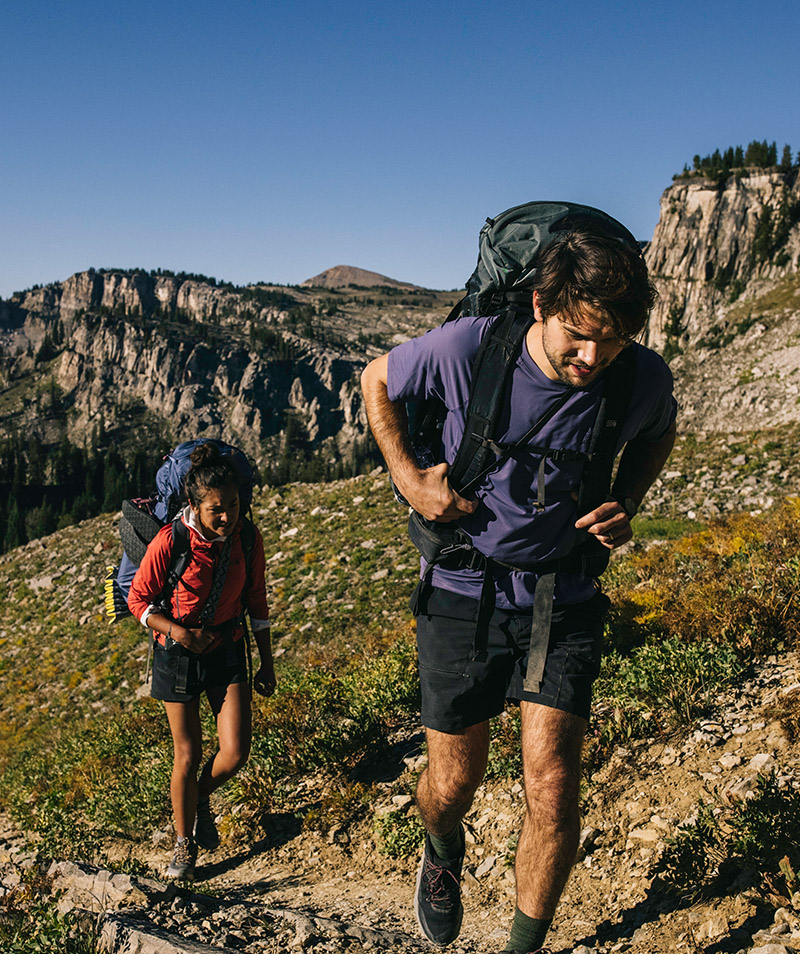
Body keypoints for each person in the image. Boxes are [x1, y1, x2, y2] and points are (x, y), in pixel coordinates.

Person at [360, 225, 677, 953]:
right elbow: (377, 378)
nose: (593, 357)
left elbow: (659, 431)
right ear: (540, 304)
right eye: (578, 335)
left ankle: (523, 946)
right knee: (452, 785)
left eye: (614, 338)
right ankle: (441, 851)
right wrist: (410, 479)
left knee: (553, 784)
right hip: (463, 587)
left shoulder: (639, 377)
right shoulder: (471, 348)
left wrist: (628, 496)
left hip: (564, 596)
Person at [128, 443, 277, 880]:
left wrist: (266, 663)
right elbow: (137, 599)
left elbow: (257, 600)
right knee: (187, 755)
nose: (227, 517)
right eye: (216, 510)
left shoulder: (247, 538)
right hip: (177, 653)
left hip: (228, 646)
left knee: (234, 752)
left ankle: (199, 798)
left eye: (232, 505)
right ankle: (183, 845)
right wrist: (178, 632)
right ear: (194, 505)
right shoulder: (171, 541)